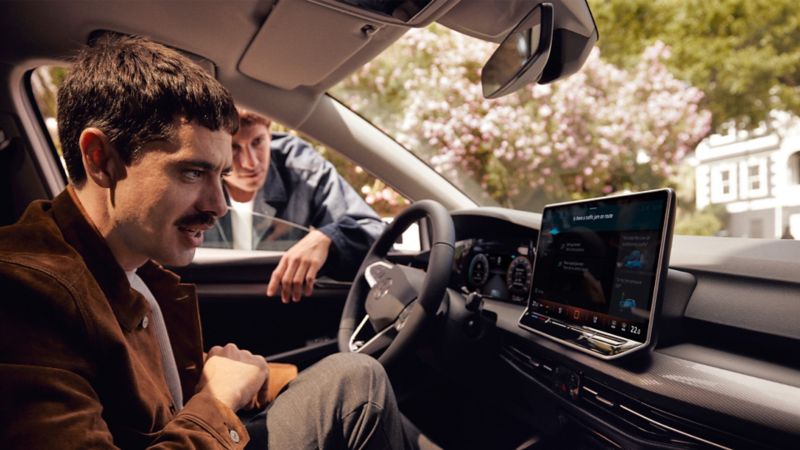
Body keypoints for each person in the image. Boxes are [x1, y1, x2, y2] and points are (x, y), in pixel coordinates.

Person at [0, 35, 408, 449]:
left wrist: (241, 380)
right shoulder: (23, 294)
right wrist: (217, 399)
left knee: (354, 379)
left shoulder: (130, 262)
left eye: (220, 173)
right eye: (193, 173)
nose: (219, 205)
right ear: (101, 158)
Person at [203, 110, 385, 303]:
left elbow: (375, 231)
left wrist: (326, 237)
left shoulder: (303, 168)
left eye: (257, 142)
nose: (251, 162)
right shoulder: (193, 174)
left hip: (287, 304)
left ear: (269, 133)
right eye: (234, 148)